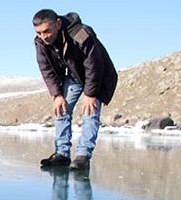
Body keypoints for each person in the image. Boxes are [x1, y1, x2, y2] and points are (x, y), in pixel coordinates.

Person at [33, 9, 118, 170]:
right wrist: (57, 94)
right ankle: (62, 154)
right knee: (61, 108)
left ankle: (83, 156)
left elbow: (94, 63)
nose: (44, 36)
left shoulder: (80, 33)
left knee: (90, 111)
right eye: (39, 33)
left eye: (47, 31)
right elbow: (46, 70)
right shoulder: (40, 43)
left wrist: (90, 93)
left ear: (58, 24)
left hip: (98, 75)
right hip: (74, 75)